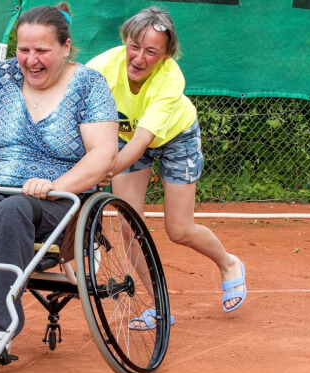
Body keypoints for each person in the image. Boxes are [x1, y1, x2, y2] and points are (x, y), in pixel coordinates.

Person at [0, 3, 118, 350]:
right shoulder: (0, 76)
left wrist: (56, 186)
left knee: (13, 210)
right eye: (24, 50)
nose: (31, 60)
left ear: (65, 47)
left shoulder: (89, 85)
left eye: (42, 51)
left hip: (57, 202)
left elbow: (103, 154)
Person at [87, 6, 246, 325]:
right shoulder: (101, 66)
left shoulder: (171, 78)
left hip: (175, 137)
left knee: (179, 229)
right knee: (130, 224)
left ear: (166, 55)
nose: (138, 58)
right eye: (134, 46)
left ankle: (229, 264)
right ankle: (160, 307)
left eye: (151, 51)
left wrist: (98, 171)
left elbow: (141, 142)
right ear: (125, 41)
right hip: (123, 136)